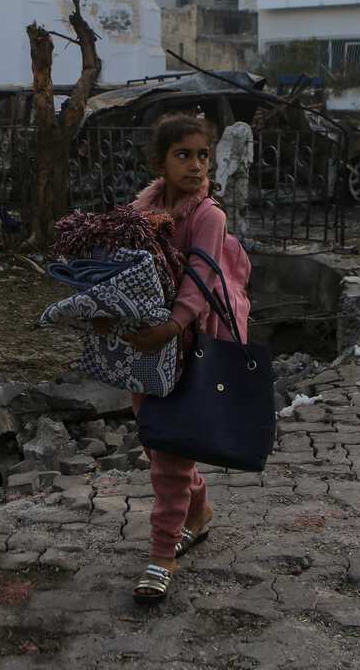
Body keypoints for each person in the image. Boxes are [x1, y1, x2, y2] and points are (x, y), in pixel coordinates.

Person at [103, 113, 252, 604]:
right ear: (160, 163)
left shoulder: (208, 215)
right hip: (147, 343)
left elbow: (202, 279)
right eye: (182, 155)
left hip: (190, 339)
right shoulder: (140, 211)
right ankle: (200, 512)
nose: (194, 165)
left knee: (169, 452)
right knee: (160, 438)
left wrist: (173, 324)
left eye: (202, 155)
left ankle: (163, 553)